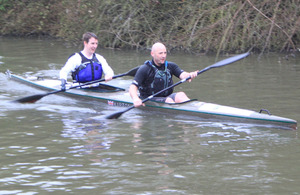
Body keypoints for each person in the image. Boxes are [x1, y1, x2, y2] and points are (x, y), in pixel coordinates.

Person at [129, 42, 198, 107]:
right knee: (169, 101)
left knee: (181, 95)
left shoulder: (171, 66)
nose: (163, 56)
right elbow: (133, 87)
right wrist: (136, 99)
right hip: (148, 99)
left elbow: (183, 75)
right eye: (160, 53)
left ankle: (194, 110)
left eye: (165, 53)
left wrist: (189, 75)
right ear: (152, 54)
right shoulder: (145, 69)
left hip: (167, 97)